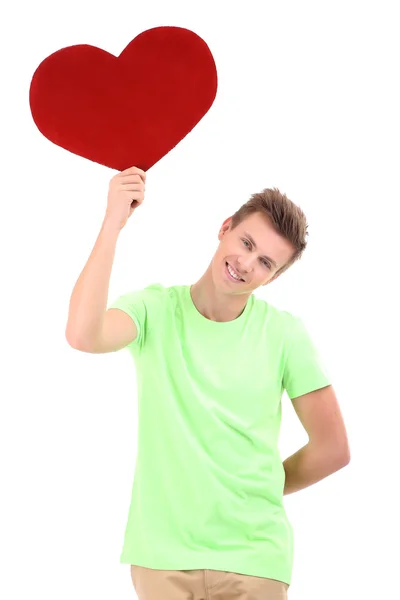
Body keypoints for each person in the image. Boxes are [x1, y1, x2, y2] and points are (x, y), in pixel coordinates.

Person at [66, 166, 350, 599]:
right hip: (161, 556)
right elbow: (83, 335)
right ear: (225, 229)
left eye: (265, 263)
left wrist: (258, 486)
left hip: (253, 558)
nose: (246, 264)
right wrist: (112, 224)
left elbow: (332, 449)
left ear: (272, 278)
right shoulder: (153, 310)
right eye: (247, 243)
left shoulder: (285, 334)